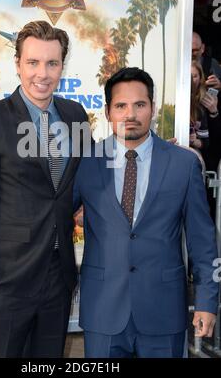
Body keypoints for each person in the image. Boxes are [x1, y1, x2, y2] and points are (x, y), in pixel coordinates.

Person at [0, 20, 88, 358]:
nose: (42, 73)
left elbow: (92, 170)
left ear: (62, 65)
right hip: (4, 284)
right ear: (17, 64)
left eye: (52, 63)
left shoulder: (75, 115)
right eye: (33, 62)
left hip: (59, 279)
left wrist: (150, 152)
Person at [73, 67, 218, 358]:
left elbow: (202, 242)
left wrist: (206, 302)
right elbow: (54, 217)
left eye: (140, 104)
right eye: (121, 106)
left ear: (152, 108)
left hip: (164, 310)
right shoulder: (86, 163)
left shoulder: (182, 164)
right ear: (108, 112)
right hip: (103, 310)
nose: (131, 114)